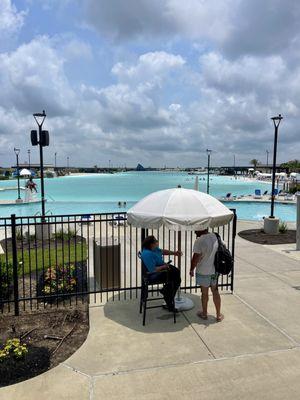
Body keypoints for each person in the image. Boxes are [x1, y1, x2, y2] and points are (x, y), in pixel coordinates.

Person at [190, 229, 224, 322]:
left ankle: (204, 314)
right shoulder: (215, 236)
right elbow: (222, 248)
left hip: (203, 272)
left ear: (201, 228)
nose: (195, 231)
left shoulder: (199, 240)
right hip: (214, 271)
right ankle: (218, 315)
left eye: (196, 229)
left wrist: (192, 269)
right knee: (215, 291)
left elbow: (195, 257)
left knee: (204, 293)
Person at [141, 236, 181, 312]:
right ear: (151, 244)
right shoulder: (147, 254)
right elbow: (153, 270)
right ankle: (168, 297)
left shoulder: (153, 249)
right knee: (176, 277)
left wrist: (174, 253)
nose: (157, 242)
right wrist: (164, 266)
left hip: (162, 269)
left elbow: (162, 251)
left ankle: (167, 293)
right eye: (156, 241)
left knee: (176, 274)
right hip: (153, 275)